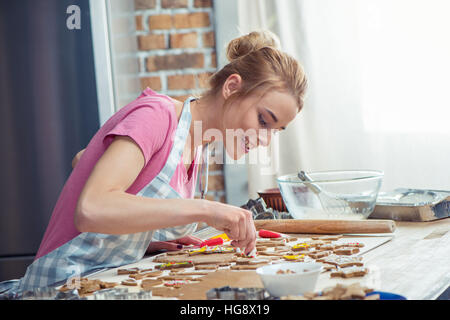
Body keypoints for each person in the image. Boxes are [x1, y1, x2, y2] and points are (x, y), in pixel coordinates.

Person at [0, 30, 307, 296]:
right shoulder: (157, 115)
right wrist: (208, 209)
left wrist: (144, 240)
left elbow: (85, 159)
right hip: (60, 286)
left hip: (106, 282)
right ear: (231, 87)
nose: (265, 139)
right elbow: (91, 209)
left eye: (275, 131)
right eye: (264, 120)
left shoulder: (198, 146)